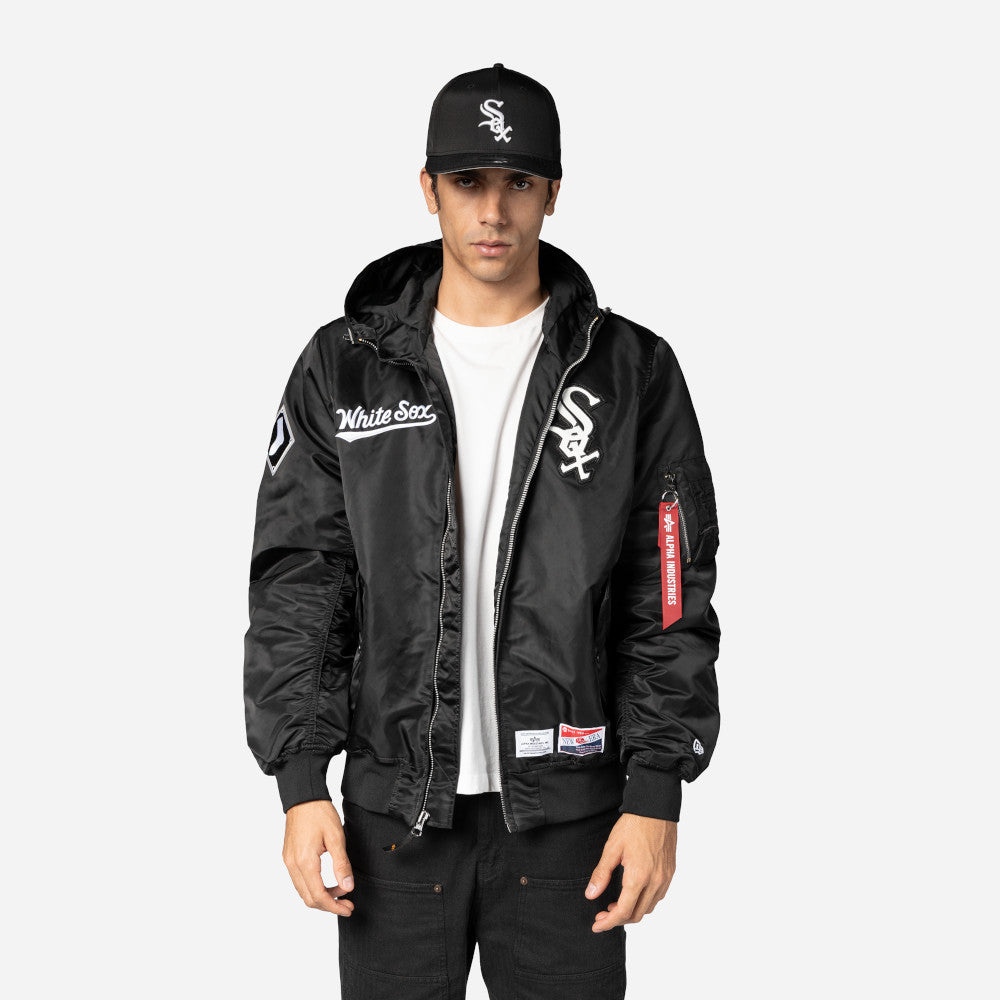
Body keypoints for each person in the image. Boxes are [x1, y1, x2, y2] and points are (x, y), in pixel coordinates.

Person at [243, 62, 721, 1000]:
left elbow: (668, 592)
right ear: (428, 189)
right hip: (393, 819)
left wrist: (657, 790)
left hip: (571, 821)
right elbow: (301, 580)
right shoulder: (347, 367)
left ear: (553, 192)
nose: (493, 210)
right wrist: (300, 781)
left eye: (518, 182)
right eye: (468, 181)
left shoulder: (629, 371)